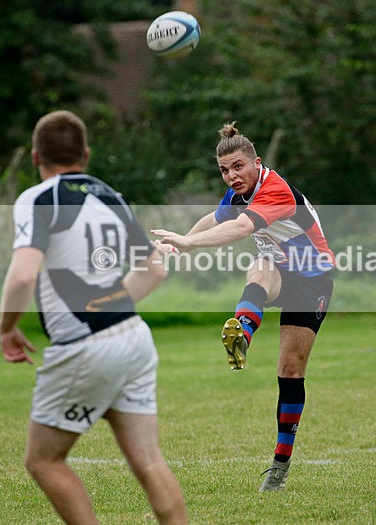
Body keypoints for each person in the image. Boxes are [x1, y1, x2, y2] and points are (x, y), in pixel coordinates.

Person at [0, 110, 187, 524]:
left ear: (35, 157)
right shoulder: (110, 195)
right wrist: (111, 304)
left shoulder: (38, 198)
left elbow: (24, 273)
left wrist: (6, 327)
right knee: (148, 459)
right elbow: (155, 269)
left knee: (43, 460)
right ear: (85, 154)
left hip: (85, 346)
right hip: (133, 336)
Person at [152, 122, 334, 492]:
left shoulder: (275, 189)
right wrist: (179, 242)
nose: (232, 176)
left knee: (290, 370)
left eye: (238, 167)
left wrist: (189, 245)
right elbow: (216, 218)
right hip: (279, 270)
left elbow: (240, 229)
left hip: (313, 279)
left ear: (257, 163)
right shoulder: (239, 192)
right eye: (224, 170)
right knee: (261, 265)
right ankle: (242, 332)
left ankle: (280, 465)